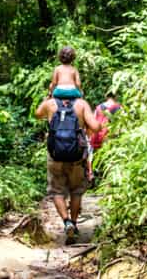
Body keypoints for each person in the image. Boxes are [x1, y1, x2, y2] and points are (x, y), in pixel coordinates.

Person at [35, 93, 99, 244]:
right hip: (76, 157)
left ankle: (66, 222)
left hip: (55, 156)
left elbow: (37, 115)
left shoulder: (50, 104)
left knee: (57, 191)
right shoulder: (81, 104)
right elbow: (96, 127)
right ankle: (74, 224)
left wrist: (47, 97)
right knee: (76, 191)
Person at [86, 93, 122, 182]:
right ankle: (110, 179)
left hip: (98, 134)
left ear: (106, 97)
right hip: (110, 135)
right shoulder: (118, 107)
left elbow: (93, 121)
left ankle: (91, 173)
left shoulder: (98, 107)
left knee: (91, 154)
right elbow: (121, 123)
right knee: (111, 157)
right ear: (116, 97)